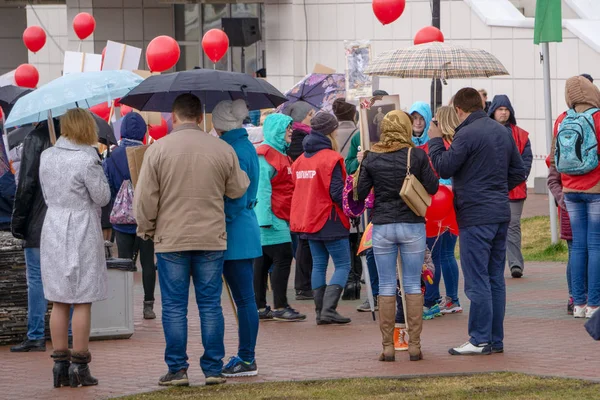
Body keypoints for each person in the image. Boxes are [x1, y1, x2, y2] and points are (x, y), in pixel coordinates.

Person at [134, 93, 250, 387]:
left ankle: (177, 369)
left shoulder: (158, 150)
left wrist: (146, 228)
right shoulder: (221, 149)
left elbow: (145, 198)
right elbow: (238, 189)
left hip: (170, 237)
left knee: (174, 306)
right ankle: (213, 368)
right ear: (202, 117)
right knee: (211, 304)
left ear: (173, 117)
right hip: (211, 236)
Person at [428, 87, 527, 355]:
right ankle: (494, 339)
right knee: (495, 276)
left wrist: (436, 139)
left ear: (459, 110)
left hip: (475, 214)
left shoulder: (466, 133)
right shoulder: (502, 131)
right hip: (499, 212)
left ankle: (479, 339)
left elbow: (444, 167)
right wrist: (494, 188)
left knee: (476, 279)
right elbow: (519, 171)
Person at [357, 110, 439, 362]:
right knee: (413, 284)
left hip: (382, 226)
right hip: (412, 224)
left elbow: (360, 193)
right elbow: (433, 187)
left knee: (385, 285)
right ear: (404, 128)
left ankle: (387, 347)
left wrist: (362, 163)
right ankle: (414, 346)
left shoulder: (371, 156)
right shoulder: (416, 154)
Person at [39, 108, 111, 388]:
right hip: (80, 225)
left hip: (54, 224)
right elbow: (102, 197)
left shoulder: (47, 156)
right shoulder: (86, 158)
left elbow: (46, 193)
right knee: (82, 297)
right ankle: (80, 366)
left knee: (59, 298)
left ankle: (59, 366)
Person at [211, 99, 263, 377]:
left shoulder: (235, 149)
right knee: (245, 299)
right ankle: (246, 356)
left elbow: (235, 197)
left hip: (235, 230)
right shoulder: (243, 146)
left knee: (244, 299)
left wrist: (218, 220)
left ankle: (246, 357)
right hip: (243, 228)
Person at [290, 111, 352, 325]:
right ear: (331, 131)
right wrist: (351, 194)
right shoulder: (331, 158)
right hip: (329, 218)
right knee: (343, 264)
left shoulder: (300, 160)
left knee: (319, 264)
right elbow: (336, 192)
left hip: (308, 219)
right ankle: (329, 309)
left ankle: (320, 310)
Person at [551, 76, 600, 320]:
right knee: (596, 246)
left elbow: (554, 156)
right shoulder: (598, 117)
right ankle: (594, 304)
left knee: (578, 247)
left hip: (570, 191)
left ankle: (578, 303)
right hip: (595, 190)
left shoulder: (562, 119)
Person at [10, 119, 60, 353]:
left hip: (38, 222)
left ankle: (36, 334)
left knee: (37, 280)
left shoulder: (35, 138)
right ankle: (68, 333)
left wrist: (18, 223)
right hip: (64, 223)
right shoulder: (72, 139)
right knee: (64, 279)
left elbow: (27, 184)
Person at [103, 112, 157, 320]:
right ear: (143, 131)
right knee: (147, 262)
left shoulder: (112, 155)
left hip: (121, 219)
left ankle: (124, 307)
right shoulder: (148, 153)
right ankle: (148, 305)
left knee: (124, 263)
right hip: (146, 218)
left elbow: (106, 187)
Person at [254, 113, 305, 322]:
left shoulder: (278, 153)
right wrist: (264, 220)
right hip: (272, 218)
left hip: (277, 215)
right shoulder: (266, 155)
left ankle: (259, 307)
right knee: (282, 258)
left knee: (263, 262)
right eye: (287, 128)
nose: (291, 131)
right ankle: (280, 306)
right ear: (276, 130)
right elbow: (262, 190)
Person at [346, 90, 388, 313]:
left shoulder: (399, 134)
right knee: (371, 248)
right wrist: (359, 161)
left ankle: (398, 294)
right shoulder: (358, 136)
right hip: (372, 202)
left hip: (396, 200)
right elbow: (349, 165)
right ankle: (375, 294)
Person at [421, 106, 463, 318]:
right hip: (454, 205)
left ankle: (432, 300)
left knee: (434, 255)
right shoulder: (459, 144)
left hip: (435, 205)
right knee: (447, 254)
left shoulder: (433, 148)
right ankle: (453, 299)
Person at [488, 95, 533, 279]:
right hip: (490, 190)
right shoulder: (486, 132)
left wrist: (514, 180)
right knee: (491, 228)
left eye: (506, 109)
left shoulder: (521, 135)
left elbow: (526, 162)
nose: (503, 112)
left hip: (515, 191)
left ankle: (515, 264)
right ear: (493, 111)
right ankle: (492, 265)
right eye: (500, 109)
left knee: (513, 226)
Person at [285, 101, 316, 299]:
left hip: (293, 198)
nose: (312, 119)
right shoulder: (305, 140)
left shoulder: (288, 140)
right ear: (305, 116)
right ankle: (305, 286)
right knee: (304, 243)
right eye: (311, 115)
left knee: (300, 244)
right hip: (304, 197)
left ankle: (303, 285)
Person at [546, 156, 575, 315]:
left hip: (571, 204)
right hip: (573, 205)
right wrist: (564, 199)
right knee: (576, 252)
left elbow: (552, 177)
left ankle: (576, 298)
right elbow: (553, 177)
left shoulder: (561, 136)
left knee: (575, 252)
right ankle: (576, 297)